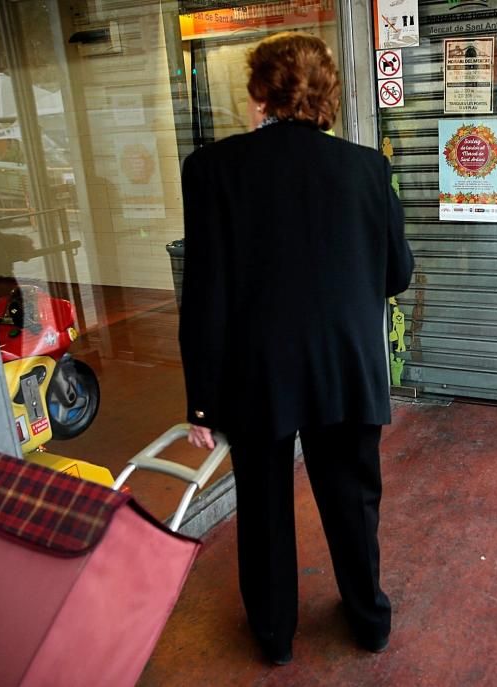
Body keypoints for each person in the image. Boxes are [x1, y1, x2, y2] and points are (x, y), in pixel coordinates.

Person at [179, 32, 414, 666]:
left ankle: (275, 638)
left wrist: (202, 400)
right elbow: (397, 273)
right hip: (346, 368)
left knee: (262, 508)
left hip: (257, 375)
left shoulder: (211, 169)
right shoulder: (367, 168)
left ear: (260, 93)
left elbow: (205, 293)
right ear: (326, 95)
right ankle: (369, 622)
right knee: (352, 501)